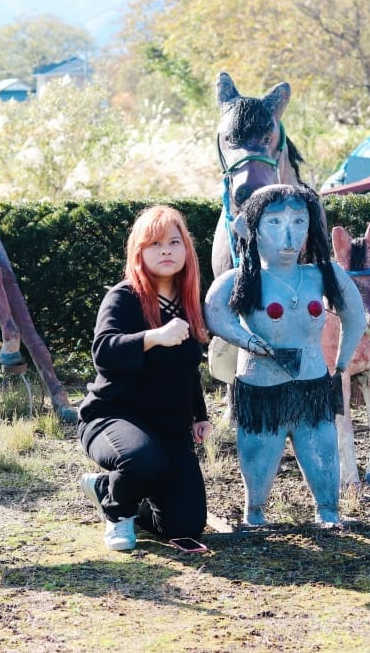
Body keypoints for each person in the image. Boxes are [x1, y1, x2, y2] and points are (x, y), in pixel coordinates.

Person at [204, 184, 366, 526]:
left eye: (300, 222)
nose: (289, 237)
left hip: (312, 387)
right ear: (252, 230)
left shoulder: (321, 275)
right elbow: (215, 311)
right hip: (261, 391)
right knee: (259, 452)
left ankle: (328, 512)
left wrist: (342, 358)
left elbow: (355, 314)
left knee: (321, 448)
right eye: (275, 223)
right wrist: (245, 340)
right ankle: (255, 512)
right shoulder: (243, 280)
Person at [78, 205, 212, 551]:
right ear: (139, 252)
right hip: (112, 418)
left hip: (168, 429)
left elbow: (187, 368)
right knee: (142, 460)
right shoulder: (124, 297)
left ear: (186, 249)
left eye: (173, 242)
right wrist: (153, 337)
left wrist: (200, 416)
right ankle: (117, 512)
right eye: (154, 244)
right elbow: (104, 351)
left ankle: (111, 488)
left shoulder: (187, 303)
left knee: (186, 525)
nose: (165, 250)